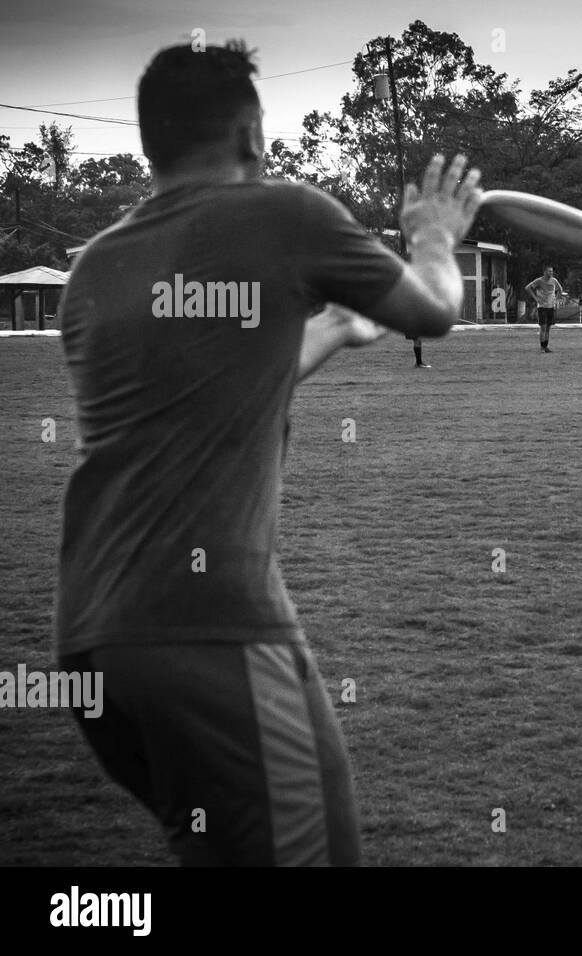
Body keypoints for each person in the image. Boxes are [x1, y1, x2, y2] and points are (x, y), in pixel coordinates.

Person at [53, 41, 481, 865]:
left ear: (151, 142)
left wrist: (332, 327)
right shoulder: (282, 213)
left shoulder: (96, 269)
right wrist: (431, 236)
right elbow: (433, 309)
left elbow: (198, 392)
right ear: (252, 133)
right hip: (209, 632)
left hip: (92, 642)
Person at [525, 265, 566, 353]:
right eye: (549, 271)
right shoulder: (539, 281)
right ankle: (542, 347)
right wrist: (536, 299)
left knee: (548, 328)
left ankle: (546, 346)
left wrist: (556, 299)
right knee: (543, 327)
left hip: (551, 307)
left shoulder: (554, 280)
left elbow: (560, 289)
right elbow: (528, 288)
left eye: (551, 271)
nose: (550, 273)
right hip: (542, 307)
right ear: (544, 272)